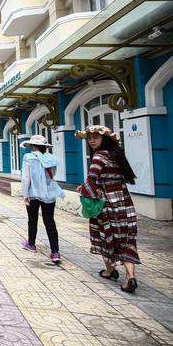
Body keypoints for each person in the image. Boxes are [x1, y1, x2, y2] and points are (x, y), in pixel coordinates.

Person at [76, 125, 140, 294]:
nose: (91, 141)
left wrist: (84, 191)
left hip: (108, 206)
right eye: (89, 138)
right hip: (125, 205)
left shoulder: (99, 156)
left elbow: (91, 182)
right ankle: (129, 277)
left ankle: (110, 270)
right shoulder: (117, 156)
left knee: (106, 236)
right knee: (127, 239)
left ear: (105, 139)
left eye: (95, 137)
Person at [20, 134, 65, 262]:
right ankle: (55, 252)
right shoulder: (51, 158)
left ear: (33, 146)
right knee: (49, 221)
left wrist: (25, 194)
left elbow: (26, 177)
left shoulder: (28, 157)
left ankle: (31, 244)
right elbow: (53, 175)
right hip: (49, 192)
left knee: (32, 219)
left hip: (33, 192)